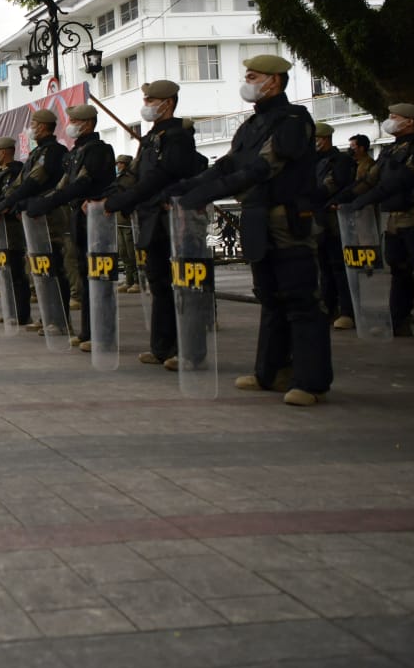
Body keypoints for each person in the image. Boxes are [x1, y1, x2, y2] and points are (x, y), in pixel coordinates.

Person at [177, 55, 332, 406]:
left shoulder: (293, 120)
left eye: (253, 76)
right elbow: (230, 163)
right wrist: (188, 187)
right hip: (257, 217)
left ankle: (311, 381)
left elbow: (265, 167)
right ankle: (270, 372)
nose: (247, 81)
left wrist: (208, 193)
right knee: (270, 297)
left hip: (287, 219)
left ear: (274, 81)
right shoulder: (252, 125)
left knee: (300, 299)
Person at [103, 81, 206, 370]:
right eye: (146, 99)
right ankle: (162, 348)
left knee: (182, 286)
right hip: (151, 220)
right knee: (160, 285)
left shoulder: (178, 137)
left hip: (173, 218)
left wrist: (126, 200)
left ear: (168, 103)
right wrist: (108, 197)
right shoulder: (152, 138)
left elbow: (162, 176)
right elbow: (134, 175)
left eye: (151, 99)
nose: (146, 103)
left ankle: (188, 350)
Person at [31, 104, 115, 351]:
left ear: (87, 123)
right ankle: (88, 331)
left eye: (74, 120)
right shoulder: (77, 151)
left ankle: (102, 333)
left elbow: (82, 183)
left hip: (97, 218)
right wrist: (48, 200)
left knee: (99, 277)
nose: (70, 124)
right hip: (78, 217)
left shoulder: (98, 150)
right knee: (85, 274)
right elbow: (65, 183)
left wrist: (51, 200)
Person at [347, 103, 414, 336]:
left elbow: (398, 181)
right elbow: (370, 180)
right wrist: (345, 198)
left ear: (409, 121)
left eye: (394, 117)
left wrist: (365, 200)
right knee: (398, 268)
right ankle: (398, 321)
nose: (389, 120)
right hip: (393, 219)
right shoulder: (389, 149)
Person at [0, 109, 69, 333]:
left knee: (52, 267)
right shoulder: (38, 151)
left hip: (48, 215)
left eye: (34, 123)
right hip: (34, 217)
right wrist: (3, 203)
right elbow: (21, 182)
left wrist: (7, 202)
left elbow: (34, 181)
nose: (31, 127)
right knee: (39, 269)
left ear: (43, 126)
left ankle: (59, 320)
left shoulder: (53, 151)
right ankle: (47, 317)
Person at [313, 122, 357, 329]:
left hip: (334, 220)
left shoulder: (340, 160)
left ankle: (347, 310)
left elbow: (335, 185)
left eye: (316, 140)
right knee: (325, 268)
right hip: (319, 220)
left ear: (325, 139)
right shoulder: (313, 162)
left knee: (339, 267)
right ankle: (328, 308)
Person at [114, 154, 142, 293]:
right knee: (124, 253)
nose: (118, 166)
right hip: (119, 220)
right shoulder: (118, 178)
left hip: (128, 221)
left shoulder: (130, 179)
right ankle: (129, 279)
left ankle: (137, 281)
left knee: (132, 253)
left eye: (120, 163)